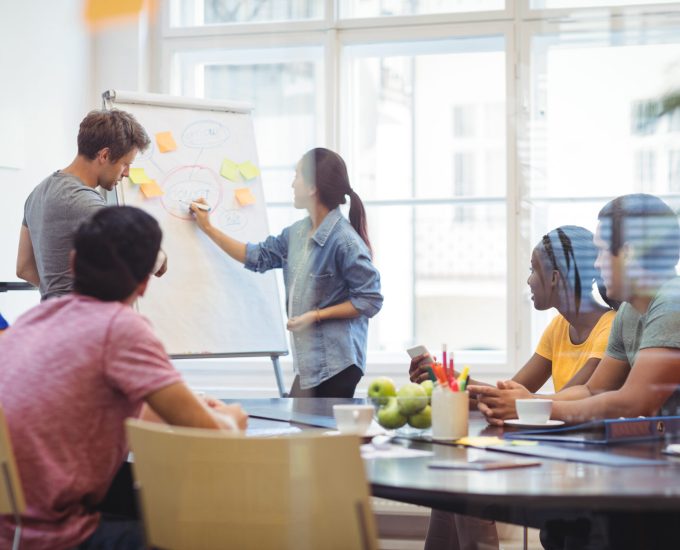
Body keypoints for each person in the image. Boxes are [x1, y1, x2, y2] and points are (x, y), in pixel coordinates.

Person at [0, 206, 247, 550]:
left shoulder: (36, 319)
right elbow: (214, 433)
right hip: (56, 538)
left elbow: (92, 406)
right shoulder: (121, 326)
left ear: (72, 264)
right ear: (144, 283)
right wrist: (231, 420)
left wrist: (185, 407)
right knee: (218, 533)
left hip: (10, 533)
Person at [469, 194, 680, 550]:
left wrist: (533, 407)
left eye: (601, 252)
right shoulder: (630, 312)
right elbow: (594, 391)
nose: (596, 265)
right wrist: (520, 402)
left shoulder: (671, 303)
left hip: (667, 482)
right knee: (562, 529)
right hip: (653, 464)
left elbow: (632, 402)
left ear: (627, 253)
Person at [410, 225, 618, 550]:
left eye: (533, 269)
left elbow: (568, 398)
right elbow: (517, 391)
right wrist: (445, 381)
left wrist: (511, 399)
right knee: (451, 483)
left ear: (554, 277)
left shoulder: (610, 328)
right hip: (556, 449)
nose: (528, 280)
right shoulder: (558, 327)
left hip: (586, 462)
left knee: (467, 487)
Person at [190, 147, 383, 397]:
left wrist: (315, 315)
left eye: (297, 176)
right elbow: (256, 256)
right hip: (312, 364)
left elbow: (370, 300)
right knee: (300, 429)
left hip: (339, 364)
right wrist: (208, 228)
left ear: (313, 187)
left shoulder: (345, 241)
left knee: (313, 432)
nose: (292, 184)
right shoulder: (297, 234)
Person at [16, 109, 167, 301]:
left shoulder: (37, 193)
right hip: (84, 324)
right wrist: (160, 255)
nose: (127, 173)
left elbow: (24, 268)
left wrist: (57, 294)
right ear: (104, 155)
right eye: (125, 164)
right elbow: (147, 259)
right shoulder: (86, 203)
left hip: (52, 318)